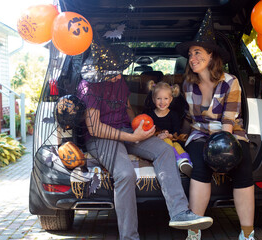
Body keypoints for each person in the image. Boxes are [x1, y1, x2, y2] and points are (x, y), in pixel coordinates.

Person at [76, 40, 213, 240]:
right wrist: (131, 137)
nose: (116, 77)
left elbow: (127, 107)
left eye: (118, 71)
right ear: (99, 71)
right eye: (111, 73)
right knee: (125, 174)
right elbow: (94, 127)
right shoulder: (89, 87)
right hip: (100, 137)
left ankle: (180, 212)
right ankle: (129, 237)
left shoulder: (119, 80)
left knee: (165, 150)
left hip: (125, 129)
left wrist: (139, 128)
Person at [175, 9, 255, 240]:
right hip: (200, 134)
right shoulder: (188, 85)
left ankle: (247, 233)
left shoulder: (231, 82)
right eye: (190, 54)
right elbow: (191, 120)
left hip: (229, 133)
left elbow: (229, 122)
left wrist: (224, 153)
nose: (192, 58)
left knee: (243, 167)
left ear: (211, 55)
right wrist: (177, 137)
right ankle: (194, 231)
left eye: (197, 53)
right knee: (200, 166)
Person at [145, 80, 193, 177]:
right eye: (159, 98)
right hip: (157, 144)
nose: (162, 102)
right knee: (167, 142)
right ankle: (179, 161)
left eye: (166, 98)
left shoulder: (173, 115)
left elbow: (176, 132)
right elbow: (147, 133)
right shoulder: (149, 116)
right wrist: (158, 136)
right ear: (154, 99)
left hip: (171, 140)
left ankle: (187, 163)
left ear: (170, 99)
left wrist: (170, 135)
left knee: (177, 146)